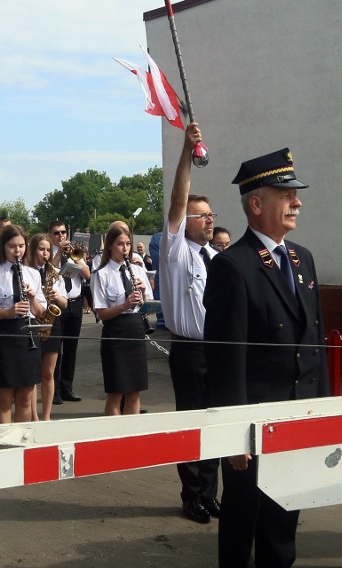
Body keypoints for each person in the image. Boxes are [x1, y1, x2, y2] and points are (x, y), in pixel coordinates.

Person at [203, 148, 328, 567]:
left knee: (285, 514)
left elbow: (315, 343)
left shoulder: (302, 258)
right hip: (254, 423)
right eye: (285, 194)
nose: (298, 201)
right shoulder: (233, 267)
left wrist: (322, 410)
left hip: (297, 412)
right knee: (244, 515)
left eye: (296, 194)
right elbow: (225, 360)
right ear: (256, 204)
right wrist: (233, 432)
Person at [160, 122, 221, 524]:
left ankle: (210, 493)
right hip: (189, 349)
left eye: (212, 215)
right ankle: (191, 495)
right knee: (192, 424)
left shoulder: (216, 258)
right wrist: (187, 150)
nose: (209, 220)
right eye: (202, 216)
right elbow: (179, 198)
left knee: (217, 424)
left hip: (219, 350)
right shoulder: (176, 250)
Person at [0, 224, 45, 423]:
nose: (18, 251)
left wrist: (32, 299)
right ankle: (4, 445)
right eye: (12, 246)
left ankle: (23, 443)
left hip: (27, 337)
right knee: (4, 400)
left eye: (21, 246)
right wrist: (8, 311)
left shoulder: (33, 273)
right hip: (3, 337)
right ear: (3, 247)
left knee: (24, 400)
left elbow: (40, 313)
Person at [92, 225, 151, 416]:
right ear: (110, 246)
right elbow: (101, 314)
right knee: (115, 393)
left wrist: (143, 291)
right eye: (120, 244)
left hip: (136, 329)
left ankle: (132, 438)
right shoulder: (101, 274)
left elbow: (148, 304)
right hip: (115, 332)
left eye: (128, 244)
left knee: (134, 392)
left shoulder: (138, 270)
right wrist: (124, 305)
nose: (125, 248)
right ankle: (114, 438)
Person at [49, 220, 90, 403]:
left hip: (75, 304)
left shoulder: (75, 253)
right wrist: (58, 252)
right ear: (51, 235)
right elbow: (49, 273)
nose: (61, 236)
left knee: (71, 349)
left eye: (63, 232)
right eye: (57, 233)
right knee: (56, 350)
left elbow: (87, 275)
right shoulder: (48, 252)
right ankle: (55, 391)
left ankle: (67, 388)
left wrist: (75, 258)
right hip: (58, 305)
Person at [27, 233, 67, 420]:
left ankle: (47, 416)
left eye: (48, 250)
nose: (45, 253)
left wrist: (55, 296)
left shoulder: (54, 273)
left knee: (48, 373)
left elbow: (64, 303)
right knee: (34, 374)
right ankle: (34, 416)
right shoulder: (26, 271)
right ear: (33, 250)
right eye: (41, 249)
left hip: (52, 322)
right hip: (34, 322)